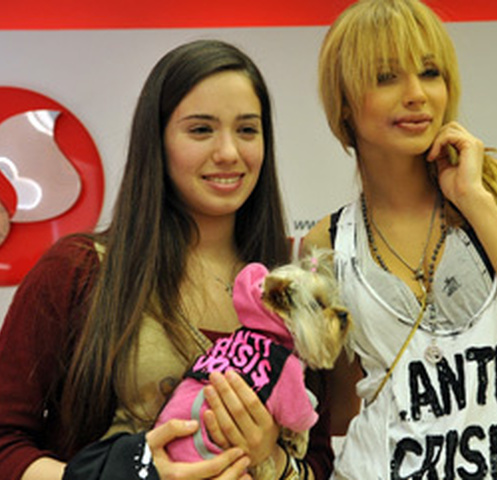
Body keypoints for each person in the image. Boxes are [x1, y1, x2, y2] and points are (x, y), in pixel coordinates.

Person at [0, 39, 332, 480]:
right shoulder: (77, 271)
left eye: (247, 130)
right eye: (201, 130)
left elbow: (318, 460)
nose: (229, 152)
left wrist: (270, 459)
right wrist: (116, 474)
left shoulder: (289, 290)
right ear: (156, 140)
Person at [304, 0, 497, 478]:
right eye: (386, 77)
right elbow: (337, 409)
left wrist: (474, 200)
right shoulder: (328, 242)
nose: (417, 94)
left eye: (430, 72)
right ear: (345, 102)